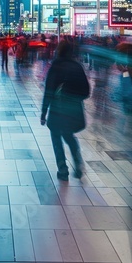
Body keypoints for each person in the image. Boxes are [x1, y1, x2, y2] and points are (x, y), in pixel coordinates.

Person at [41, 41, 91, 181]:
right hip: (74, 110)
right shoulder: (77, 67)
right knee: (69, 136)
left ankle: (62, 169)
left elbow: (48, 91)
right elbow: (86, 91)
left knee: (56, 136)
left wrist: (44, 112)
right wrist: (74, 98)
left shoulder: (56, 66)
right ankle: (78, 162)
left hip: (58, 109)